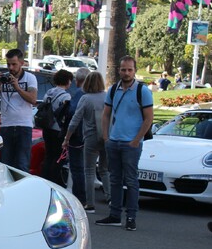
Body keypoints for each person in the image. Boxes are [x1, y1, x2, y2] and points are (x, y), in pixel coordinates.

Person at [96, 56, 153, 231]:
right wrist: (106, 137)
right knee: (115, 180)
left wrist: (136, 140)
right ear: (119, 70)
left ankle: (131, 216)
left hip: (131, 144)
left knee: (131, 180)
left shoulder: (142, 91)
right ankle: (114, 215)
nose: (126, 73)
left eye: (129, 69)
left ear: (135, 70)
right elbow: (106, 114)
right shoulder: (113, 89)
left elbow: (149, 118)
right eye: (123, 69)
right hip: (114, 141)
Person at [63, 71, 110, 213]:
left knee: (89, 171)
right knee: (105, 169)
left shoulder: (85, 99)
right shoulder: (107, 97)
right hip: (107, 136)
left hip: (90, 137)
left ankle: (90, 203)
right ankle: (110, 197)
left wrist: (67, 138)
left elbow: (75, 120)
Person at [0, 48, 38, 172]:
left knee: (22, 164)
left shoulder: (30, 78)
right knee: (5, 164)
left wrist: (17, 87)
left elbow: (33, 99)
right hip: (6, 126)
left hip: (24, 126)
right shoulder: (4, 78)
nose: (10, 67)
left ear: (21, 63)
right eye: (8, 64)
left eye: (14, 64)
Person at [40, 69, 73, 186]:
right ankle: (53, 181)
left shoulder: (49, 92)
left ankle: (44, 179)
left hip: (46, 127)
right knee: (58, 157)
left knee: (48, 155)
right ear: (68, 81)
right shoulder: (66, 96)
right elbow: (67, 113)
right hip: (58, 129)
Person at [65, 67, 91, 205]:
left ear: (78, 80)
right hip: (90, 135)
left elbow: (73, 115)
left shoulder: (79, 95)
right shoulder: (96, 95)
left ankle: (80, 198)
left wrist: (67, 136)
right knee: (87, 168)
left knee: (77, 168)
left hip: (78, 136)